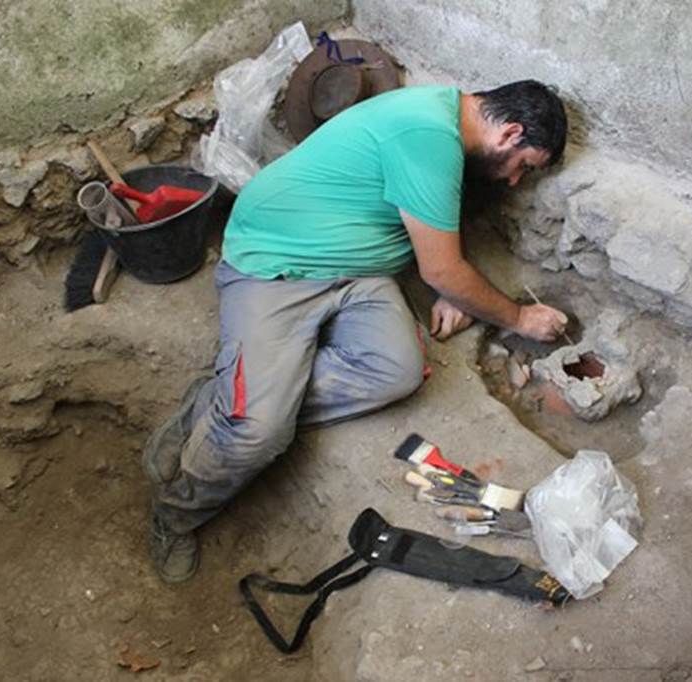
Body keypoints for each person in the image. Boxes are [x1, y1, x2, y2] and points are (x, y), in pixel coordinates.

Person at [142, 79, 570, 583]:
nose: (516, 181)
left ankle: (226, 396)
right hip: (278, 261)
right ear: (511, 132)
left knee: (397, 371)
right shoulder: (427, 135)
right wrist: (514, 316)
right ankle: (176, 512)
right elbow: (441, 270)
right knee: (258, 433)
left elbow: (433, 236)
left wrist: (453, 285)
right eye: (525, 166)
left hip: (358, 267)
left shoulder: (443, 118)